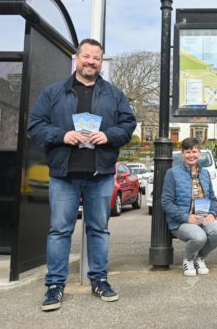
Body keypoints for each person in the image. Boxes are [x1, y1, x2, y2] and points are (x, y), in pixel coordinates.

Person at [28, 38, 136, 311]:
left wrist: (109, 135)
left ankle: (99, 280)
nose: (91, 61)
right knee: (59, 230)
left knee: (99, 229)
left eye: (96, 58)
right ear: (77, 58)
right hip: (64, 174)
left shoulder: (113, 94)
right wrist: (62, 135)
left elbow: (128, 124)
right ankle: (55, 285)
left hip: (100, 174)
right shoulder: (54, 92)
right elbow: (36, 125)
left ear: (101, 62)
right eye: (86, 56)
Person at [161, 138, 217, 276]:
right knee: (199, 237)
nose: (191, 155)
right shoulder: (173, 173)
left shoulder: (205, 173)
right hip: (181, 221)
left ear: (199, 153)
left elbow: (213, 198)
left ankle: (200, 258)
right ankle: (188, 259)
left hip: (203, 217)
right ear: (183, 154)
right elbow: (166, 202)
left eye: (194, 151)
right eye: (188, 152)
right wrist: (186, 217)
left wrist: (212, 214)